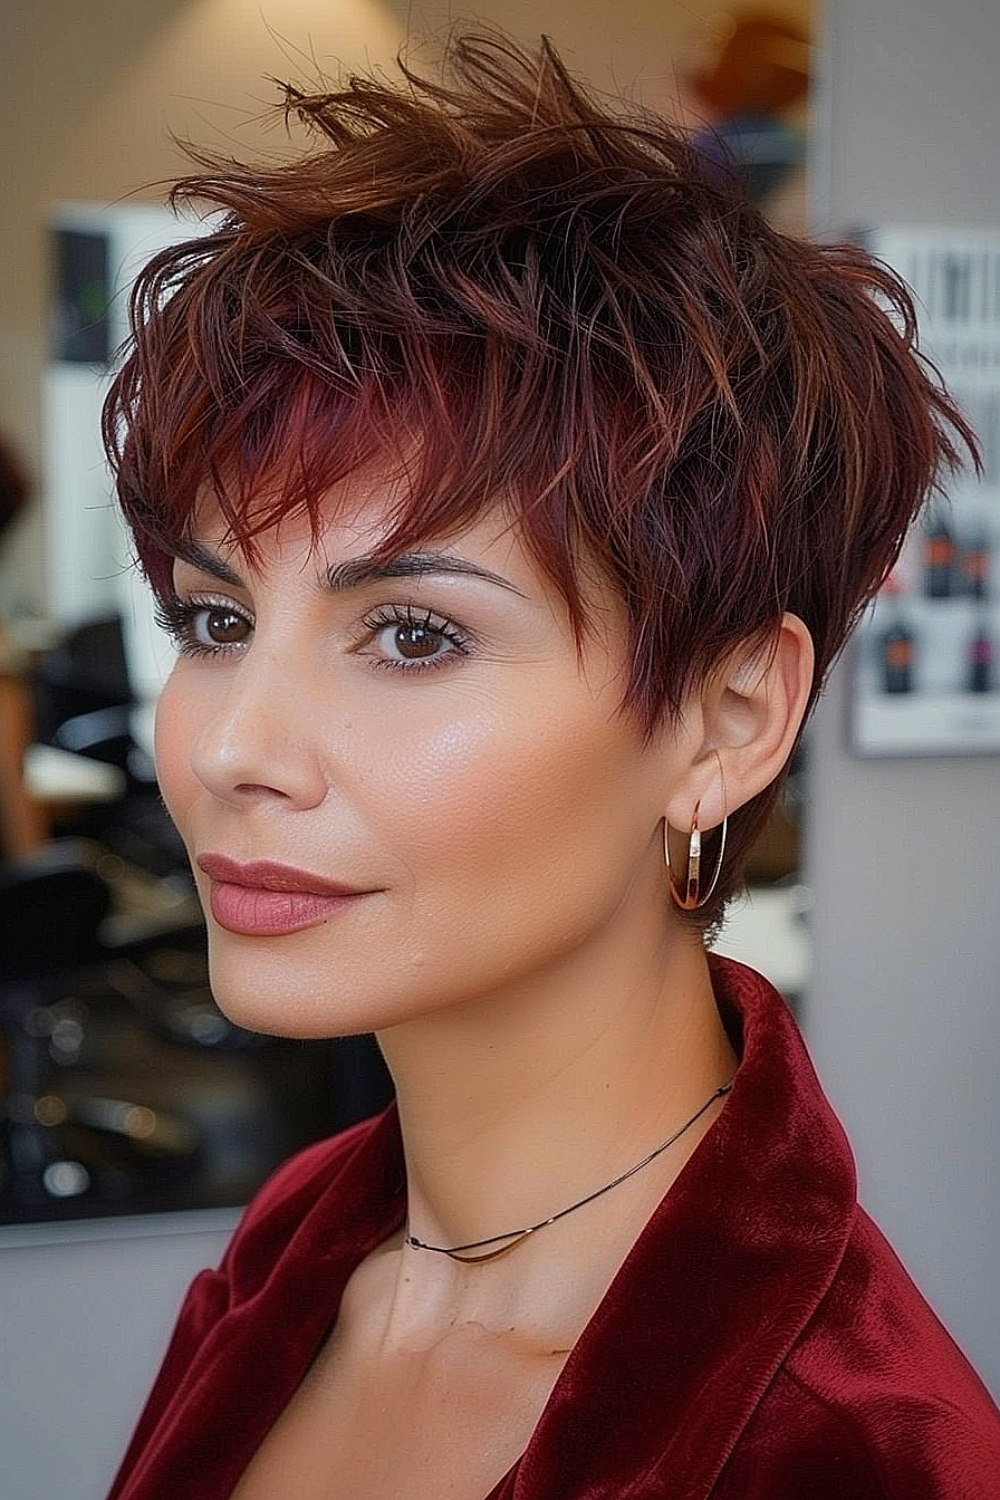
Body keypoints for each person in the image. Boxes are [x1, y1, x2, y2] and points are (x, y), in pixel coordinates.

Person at [102, 34, 1000, 1500]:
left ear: (728, 717)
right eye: (216, 619)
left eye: (409, 634)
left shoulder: (849, 1453)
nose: (236, 751)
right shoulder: (296, 1250)